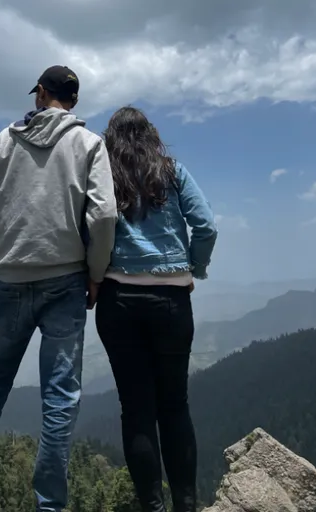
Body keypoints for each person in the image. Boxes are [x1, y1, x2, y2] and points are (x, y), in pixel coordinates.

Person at [0, 66, 117, 512]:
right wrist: (96, 272)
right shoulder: (89, 144)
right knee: (59, 398)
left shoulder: (4, 141)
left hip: (11, 278)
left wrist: (2, 255)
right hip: (66, 282)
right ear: (74, 101)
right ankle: (49, 505)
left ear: (41, 94)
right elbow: (103, 216)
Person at [95, 106, 218, 512]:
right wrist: (193, 267)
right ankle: (186, 505)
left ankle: (153, 506)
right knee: (174, 405)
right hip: (171, 300)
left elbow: (88, 227)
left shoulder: (102, 176)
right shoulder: (172, 171)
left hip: (117, 301)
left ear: (110, 139)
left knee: (136, 409)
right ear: (151, 135)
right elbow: (206, 226)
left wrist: (92, 274)